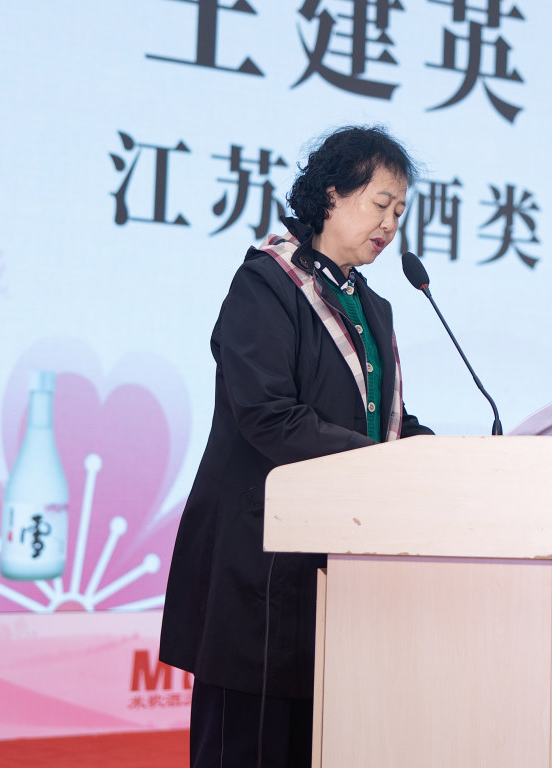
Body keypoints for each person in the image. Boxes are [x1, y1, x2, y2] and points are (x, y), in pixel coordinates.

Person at [160, 125, 434, 768]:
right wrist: (382, 459)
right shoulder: (266, 284)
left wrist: (441, 454)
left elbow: (380, 421)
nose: (391, 224)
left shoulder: (373, 306)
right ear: (331, 194)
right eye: (381, 203)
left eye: (400, 211)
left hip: (340, 574)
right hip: (259, 567)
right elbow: (267, 415)